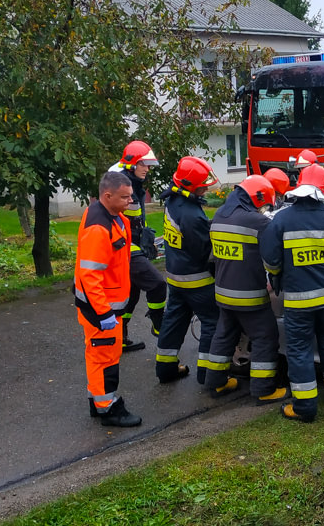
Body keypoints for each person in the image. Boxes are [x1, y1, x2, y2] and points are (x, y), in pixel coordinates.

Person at [260, 164, 324, 423]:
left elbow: (269, 259)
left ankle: (304, 407)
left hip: (298, 302)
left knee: (300, 351)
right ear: (323, 191)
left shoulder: (281, 219)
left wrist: (277, 273)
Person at [203, 175, 288, 403]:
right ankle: (264, 389)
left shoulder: (220, 215)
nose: (263, 208)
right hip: (249, 295)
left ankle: (216, 383)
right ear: (257, 197)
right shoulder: (257, 222)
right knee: (266, 336)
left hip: (223, 292)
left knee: (223, 336)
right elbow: (274, 255)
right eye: (263, 204)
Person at [74, 171, 141, 427]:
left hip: (104, 306)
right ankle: (108, 409)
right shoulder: (99, 228)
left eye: (131, 195)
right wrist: (103, 313)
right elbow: (90, 276)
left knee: (98, 356)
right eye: (124, 197)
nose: (130, 201)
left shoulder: (111, 217)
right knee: (106, 359)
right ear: (107, 195)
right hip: (101, 309)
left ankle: (98, 402)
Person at [154, 157, 221, 385]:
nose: (206, 188)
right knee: (212, 321)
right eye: (203, 184)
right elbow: (203, 249)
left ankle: (165, 369)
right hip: (198, 281)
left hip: (176, 277)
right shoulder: (192, 214)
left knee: (173, 321)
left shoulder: (173, 201)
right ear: (192, 186)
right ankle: (207, 374)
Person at [108, 140, 166, 352]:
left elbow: (134, 218)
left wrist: (145, 236)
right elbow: (117, 220)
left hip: (131, 241)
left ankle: (119, 339)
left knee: (131, 294)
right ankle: (159, 325)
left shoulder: (131, 183)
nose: (147, 168)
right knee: (157, 284)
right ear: (132, 163)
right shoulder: (121, 185)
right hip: (123, 246)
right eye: (143, 164)